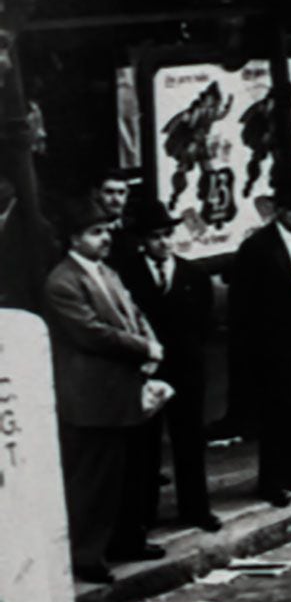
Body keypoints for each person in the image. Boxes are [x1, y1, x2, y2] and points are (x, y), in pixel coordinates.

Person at [42, 216, 164, 583]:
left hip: (122, 387)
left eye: (107, 231)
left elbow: (134, 313)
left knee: (128, 474)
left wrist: (149, 346)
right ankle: (85, 555)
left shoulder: (106, 272)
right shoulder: (62, 282)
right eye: (95, 232)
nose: (105, 238)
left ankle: (126, 539)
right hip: (91, 395)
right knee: (94, 479)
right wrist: (143, 347)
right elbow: (92, 334)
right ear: (73, 237)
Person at [115, 200, 219, 535]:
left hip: (186, 368)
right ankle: (144, 514)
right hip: (147, 370)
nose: (163, 242)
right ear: (142, 240)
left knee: (189, 439)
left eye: (167, 235)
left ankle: (196, 507)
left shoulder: (193, 274)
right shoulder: (126, 275)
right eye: (155, 237)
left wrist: (191, 354)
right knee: (145, 445)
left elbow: (204, 322)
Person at [230, 172, 291, 508]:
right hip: (274, 339)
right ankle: (272, 480)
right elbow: (243, 303)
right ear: (278, 209)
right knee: (277, 412)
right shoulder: (258, 247)